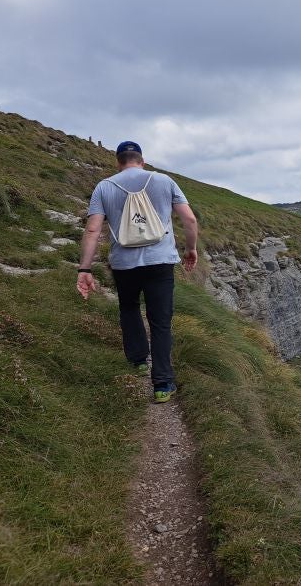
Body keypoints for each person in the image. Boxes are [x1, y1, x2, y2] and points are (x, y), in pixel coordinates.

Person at [76, 141, 198, 404]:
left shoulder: (104, 187)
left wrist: (85, 268)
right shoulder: (164, 180)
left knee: (129, 308)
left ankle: (139, 361)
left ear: (118, 162)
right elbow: (189, 219)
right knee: (160, 320)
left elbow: (93, 229)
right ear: (142, 160)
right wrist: (191, 249)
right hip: (160, 261)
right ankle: (162, 384)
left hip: (124, 263)